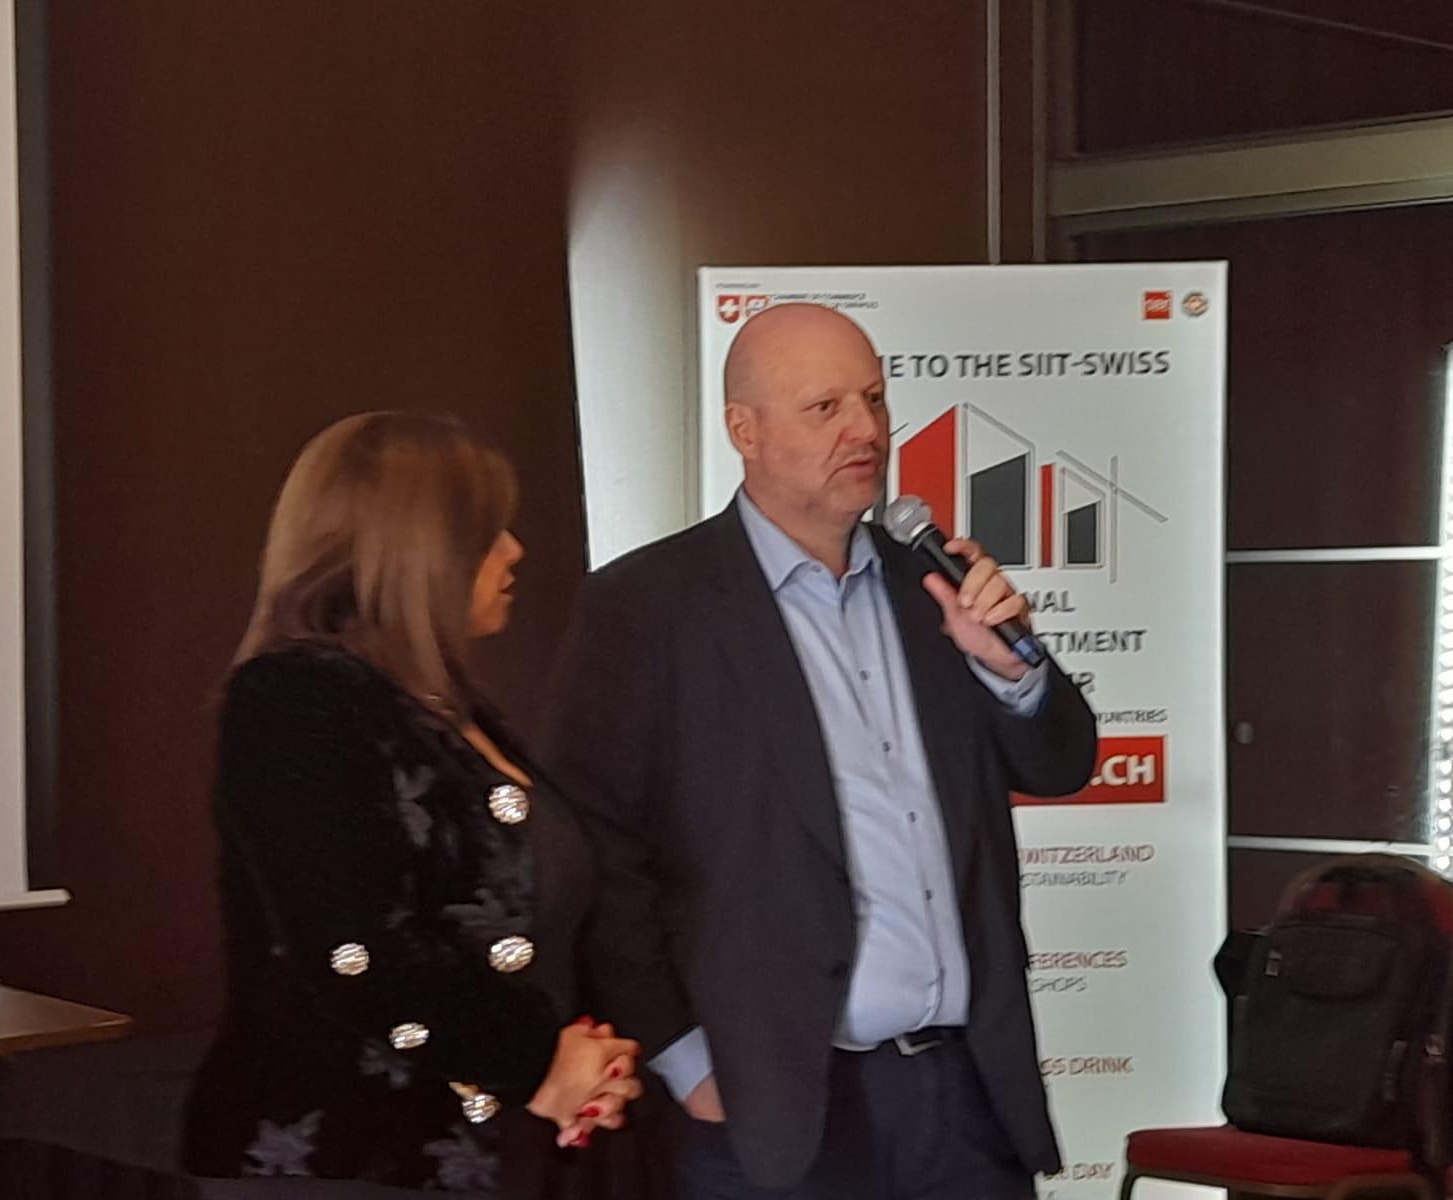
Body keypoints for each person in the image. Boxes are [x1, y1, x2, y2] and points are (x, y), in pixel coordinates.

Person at [543, 304, 1098, 1199]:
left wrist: (1011, 671)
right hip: (776, 1106)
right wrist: (686, 1061)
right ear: (745, 430)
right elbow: (599, 852)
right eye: (825, 407)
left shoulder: (933, 587)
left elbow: (1060, 763)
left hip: (965, 1098)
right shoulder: (647, 607)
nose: (865, 430)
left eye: (874, 399)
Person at [181, 411, 642, 1195]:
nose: (514, 550)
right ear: (415, 548)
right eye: (486, 533)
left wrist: (586, 1062)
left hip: (485, 1153)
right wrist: (539, 1062)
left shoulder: (445, 706)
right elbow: (353, 948)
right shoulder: (292, 699)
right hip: (343, 1158)